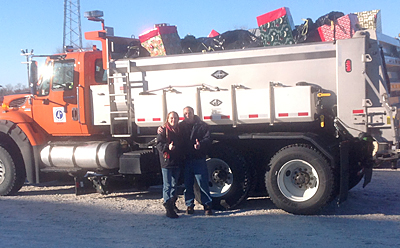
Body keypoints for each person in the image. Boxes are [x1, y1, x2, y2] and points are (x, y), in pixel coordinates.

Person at [180, 106, 213, 216]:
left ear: (193, 113)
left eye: (189, 113)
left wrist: (201, 145)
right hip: (186, 159)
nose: (187, 115)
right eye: (185, 113)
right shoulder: (180, 126)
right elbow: (170, 133)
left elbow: (208, 139)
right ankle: (189, 205)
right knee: (188, 184)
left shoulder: (203, 126)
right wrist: (160, 129)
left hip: (199, 158)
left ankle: (207, 205)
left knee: (203, 183)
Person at [156, 111, 183, 218]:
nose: (173, 120)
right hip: (167, 162)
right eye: (171, 118)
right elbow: (159, 145)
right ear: (168, 119)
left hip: (176, 161)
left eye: (175, 118)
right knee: (167, 185)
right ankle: (168, 208)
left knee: (174, 184)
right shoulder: (163, 131)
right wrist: (168, 147)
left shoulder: (179, 131)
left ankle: (172, 203)